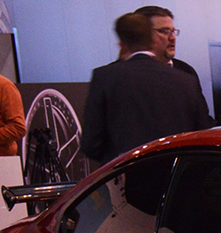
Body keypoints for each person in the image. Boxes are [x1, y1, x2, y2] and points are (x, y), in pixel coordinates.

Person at [82, 13, 211, 164]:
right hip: (177, 177)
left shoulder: (105, 77)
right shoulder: (185, 80)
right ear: (153, 39)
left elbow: (91, 144)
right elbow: (203, 131)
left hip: (126, 176)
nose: (172, 38)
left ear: (122, 43)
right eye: (164, 31)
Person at [135, 6, 201, 89]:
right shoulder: (121, 75)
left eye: (173, 31)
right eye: (165, 31)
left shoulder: (186, 71)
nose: (173, 38)